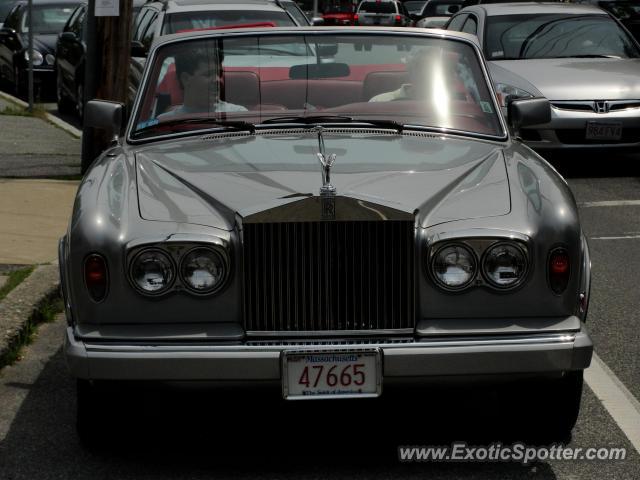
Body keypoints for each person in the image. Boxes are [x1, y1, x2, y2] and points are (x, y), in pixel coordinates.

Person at [158, 47, 246, 118]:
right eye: (208, 74)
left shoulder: (238, 114)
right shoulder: (165, 123)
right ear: (186, 79)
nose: (217, 80)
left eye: (219, 74)